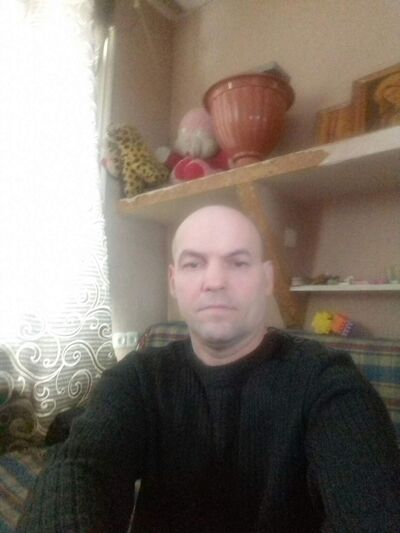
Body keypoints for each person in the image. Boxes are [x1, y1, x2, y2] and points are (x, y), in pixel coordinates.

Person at [18, 205, 400, 532]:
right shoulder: (137, 378)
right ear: (173, 281)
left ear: (267, 279)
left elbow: (373, 505)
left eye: (238, 262)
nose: (215, 281)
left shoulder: (327, 381)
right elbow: (80, 467)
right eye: (193, 263)